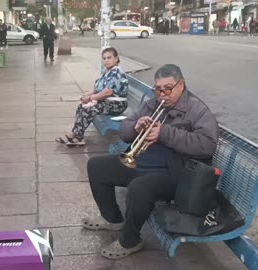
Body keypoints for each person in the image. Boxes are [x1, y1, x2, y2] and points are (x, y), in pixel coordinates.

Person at [82, 64, 219, 259]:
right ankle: (112, 219)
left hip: (174, 173)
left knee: (139, 188)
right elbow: (125, 129)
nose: (162, 94)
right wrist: (135, 128)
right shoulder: (153, 103)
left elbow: (206, 145)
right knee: (96, 167)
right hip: (141, 161)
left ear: (182, 85)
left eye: (168, 88)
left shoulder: (197, 110)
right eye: (158, 89)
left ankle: (130, 241)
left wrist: (164, 133)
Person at [55, 47, 128, 146]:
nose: (106, 60)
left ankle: (79, 137)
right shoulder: (106, 72)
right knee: (82, 106)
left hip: (116, 104)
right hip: (106, 102)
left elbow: (107, 92)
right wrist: (87, 95)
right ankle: (75, 133)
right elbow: (97, 88)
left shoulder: (117, 73)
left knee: (89, 109)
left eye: (109, 58)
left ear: (116, 58)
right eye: (104, 58)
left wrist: (90, 98)